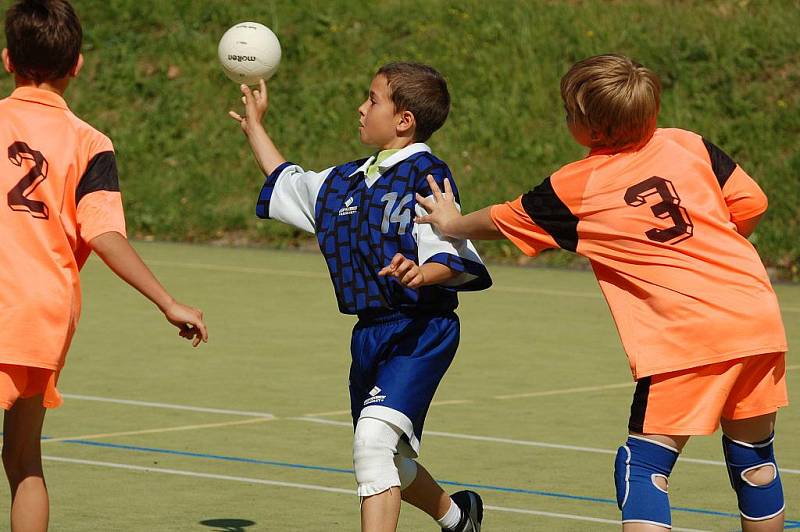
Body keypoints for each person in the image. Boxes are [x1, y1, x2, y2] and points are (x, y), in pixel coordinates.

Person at [415, 53, 788, 531]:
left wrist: (451, 222)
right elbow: (752, 202)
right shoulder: (688, 144)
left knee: (643, 468)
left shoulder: (577, 187)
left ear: (585, 127)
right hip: (756, 316)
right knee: (754, 461)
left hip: (688, 337)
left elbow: (500, 220)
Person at [230, 62, 490, 532]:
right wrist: (256, 128)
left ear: (404, 119)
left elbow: (451, 254)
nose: (362, 107)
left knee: (371, 446)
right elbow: (288, 181)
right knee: (386, 457)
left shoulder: (427, 174)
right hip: (368, 333)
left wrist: (421, 273)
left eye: (373, 99)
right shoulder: (344, 180)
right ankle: (458, 517)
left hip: (420, 329)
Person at [0, 1, 208, 530]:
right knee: (24, 460)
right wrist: (168, 301)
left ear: (7, 60)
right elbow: (104, 232)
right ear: (78, 66)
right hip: (42, 312)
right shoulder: (90, 143)